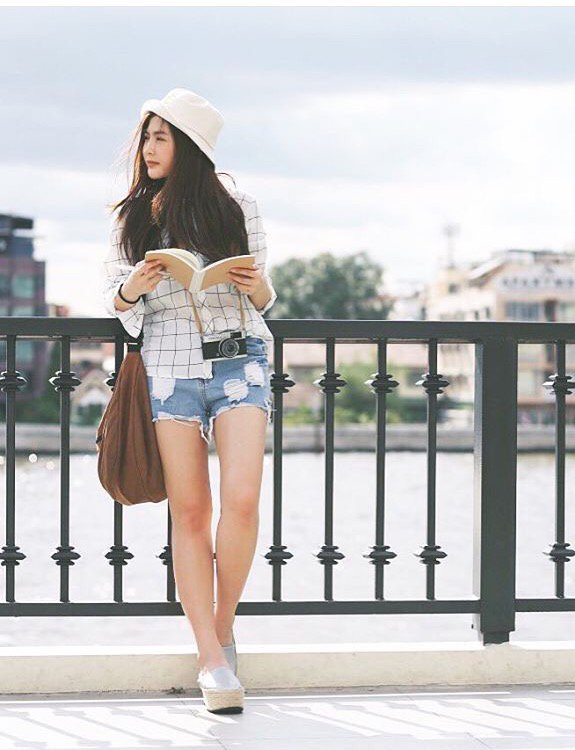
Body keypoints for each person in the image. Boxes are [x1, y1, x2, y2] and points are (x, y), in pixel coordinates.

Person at [100, 88, 277, 714]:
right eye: (146, 137)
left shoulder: (237, 206)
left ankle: (221, 629)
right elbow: (116, 305)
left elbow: (265, 300)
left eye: (162, 138)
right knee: (192, 513)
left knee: (243, 502)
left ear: (191, 147)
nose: (149, 149)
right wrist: (133, 286)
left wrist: (258, 286)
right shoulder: (133, 216)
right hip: (169, 368)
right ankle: (211, 658)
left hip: (239, 362)